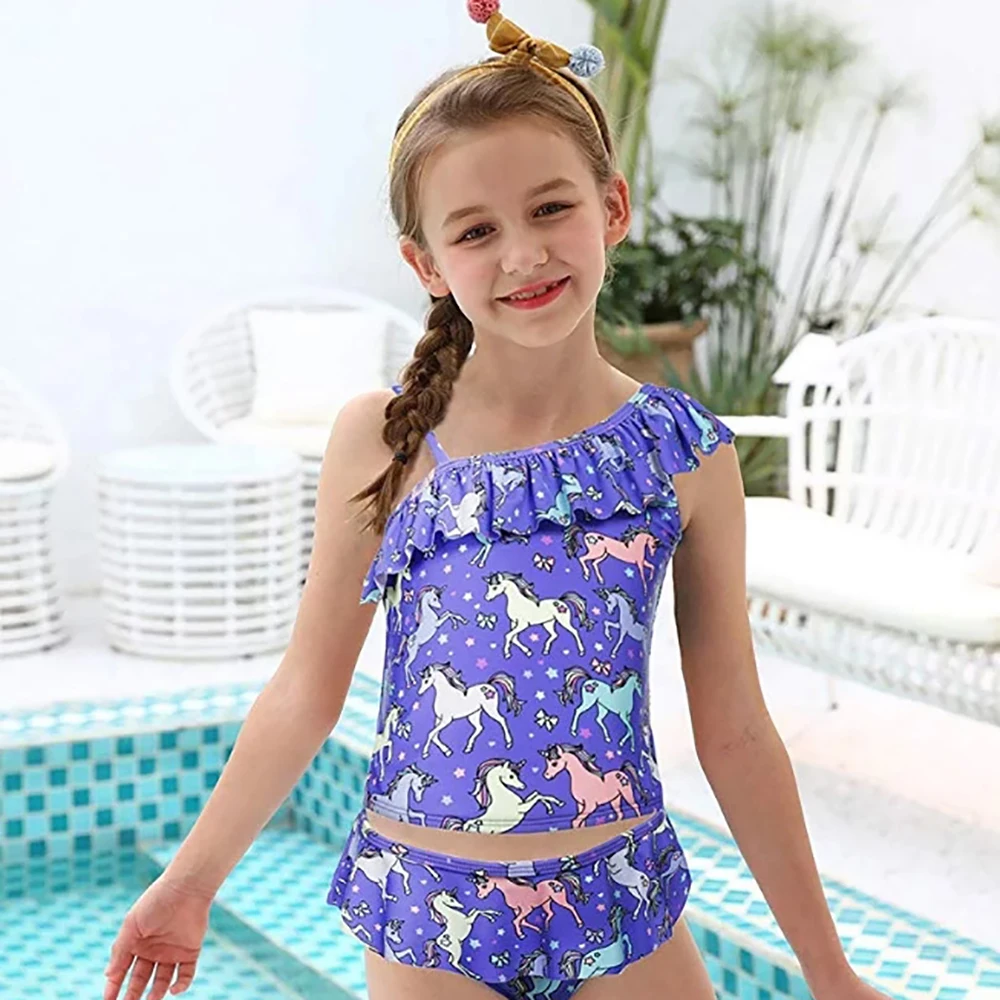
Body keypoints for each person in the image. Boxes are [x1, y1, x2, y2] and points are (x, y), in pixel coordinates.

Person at [102, 3, 894, 1000]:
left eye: (551, 208)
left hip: (619, 897)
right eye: (477, 231)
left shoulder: (685, 454)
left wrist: (829, 971)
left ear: (612, 208)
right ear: (427, 264)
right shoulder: (385, 440)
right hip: (432, 910)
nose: (522, 254)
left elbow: (734, 728)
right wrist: (188, 882)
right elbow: (306, 691)